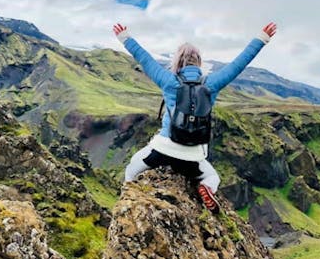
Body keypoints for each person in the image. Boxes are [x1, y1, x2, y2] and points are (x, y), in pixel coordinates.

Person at [113, 22, 277, 213]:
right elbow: (238, 64)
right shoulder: (211, 83)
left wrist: (124, 37)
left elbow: (144, 59)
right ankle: (206, 188)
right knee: (212, 177)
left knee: (131, 169)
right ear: (198, 62)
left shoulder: (168, 80)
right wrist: (262, 38)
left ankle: (128, 203)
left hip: (162, 149)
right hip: (193, 156)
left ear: (177, 62)